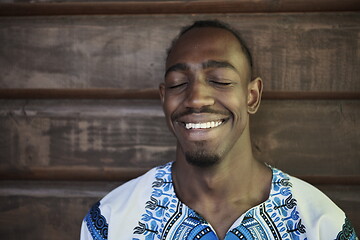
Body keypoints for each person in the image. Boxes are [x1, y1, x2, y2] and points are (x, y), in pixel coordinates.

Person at [80, 20, 358, 240]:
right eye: (178, 84)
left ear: (252, 96)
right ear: (164, 98)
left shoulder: (321, 225)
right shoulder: (111, 223)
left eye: (221, 80)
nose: (197, 98)